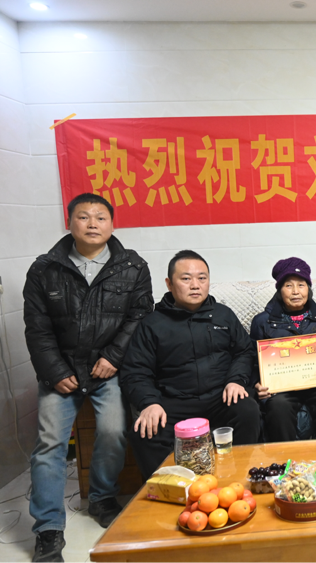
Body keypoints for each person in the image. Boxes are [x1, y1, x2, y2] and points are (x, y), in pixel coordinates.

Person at [23, 193, 153, 562]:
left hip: (107, 369)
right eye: (84, 216)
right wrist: (55, 371)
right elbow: (37, 328)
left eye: (100, 217)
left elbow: (140, 316)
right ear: (70, 223)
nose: (92, 223)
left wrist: (113, 357)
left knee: (113, 430)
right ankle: (48, 529)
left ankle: (101, 497)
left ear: (112, 224)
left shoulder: (132, 265)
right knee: (49, 443)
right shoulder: (44, 269)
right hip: (60, 371)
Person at [120, 250, 261, 479]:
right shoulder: (152, 324)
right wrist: (149, 403)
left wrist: (236, 380)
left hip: (220, 397)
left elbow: (244, 351)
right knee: (143, 433)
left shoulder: (223, 315)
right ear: (169, 283)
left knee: (248, 411)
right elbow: (136, 371)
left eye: (202, 278)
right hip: (175, 402)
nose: (195, 285)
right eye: (186, 278)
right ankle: (173, 489)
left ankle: (238, 479)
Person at [250, 257, 316, 442]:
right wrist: (256, 384)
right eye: (288, 285)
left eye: (301, 285)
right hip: (282, 387)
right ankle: (285, 456)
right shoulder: (262, 321)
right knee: (278, 405)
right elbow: (252, 359)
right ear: (279, 290)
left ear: (308, 288)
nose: (296, 291)